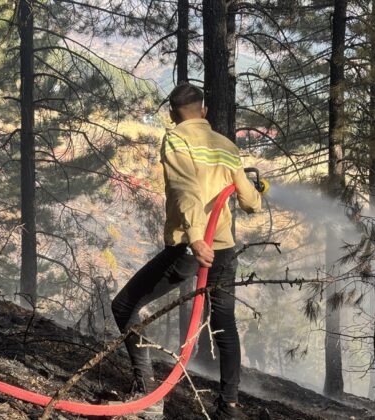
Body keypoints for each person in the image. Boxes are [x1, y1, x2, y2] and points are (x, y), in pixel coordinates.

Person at [111, 83, 263, 419]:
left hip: (193, 248)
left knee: (125, 305)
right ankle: (229, 406)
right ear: (204, 111)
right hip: (223, 250)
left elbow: (186, 190)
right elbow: (250, 202)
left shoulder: (177, 139)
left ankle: (146, 394)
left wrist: (195, 237)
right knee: (224, 323)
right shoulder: (225, 146)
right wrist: (256, 192)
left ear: (171, 115)